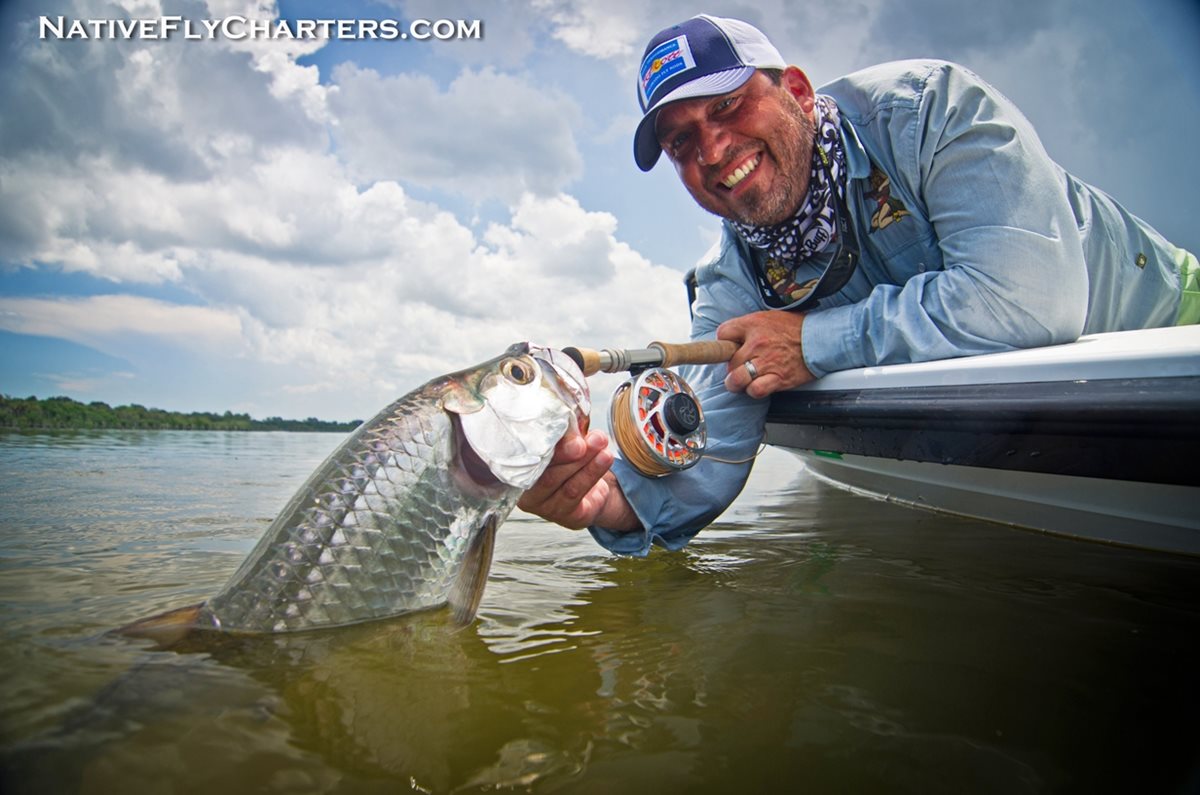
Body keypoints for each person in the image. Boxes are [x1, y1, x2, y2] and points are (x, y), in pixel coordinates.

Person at [519, 14, 1199, 554]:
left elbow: (1028, 298)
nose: (714, 149)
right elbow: (711, 441)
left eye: (728, 105)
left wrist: (814, 342)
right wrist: (596, 501)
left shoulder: (934, 108)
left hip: (1170, 310)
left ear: (799, 92)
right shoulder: (732, 282)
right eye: (681, 143)